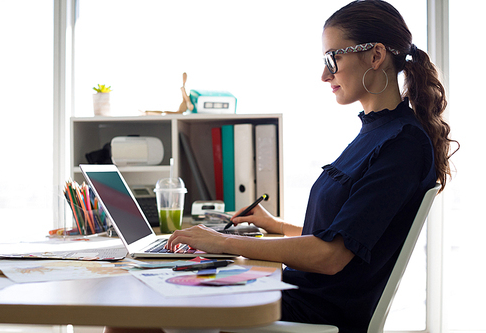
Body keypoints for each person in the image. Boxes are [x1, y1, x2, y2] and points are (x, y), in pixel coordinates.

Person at [104, 0, 457, 332]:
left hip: (316, 310)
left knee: (135, 313)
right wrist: (277, 226)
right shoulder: (379, 131)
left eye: (332, 59)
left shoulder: (402, 144)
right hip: (300, 293)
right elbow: (347, 232)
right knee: (136, 309)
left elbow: (330, 257)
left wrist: (224, 241)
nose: (324, 74)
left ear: (376, 55)